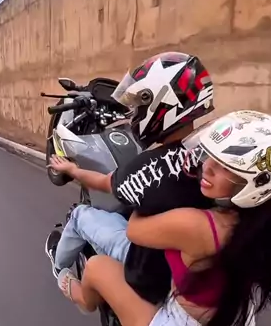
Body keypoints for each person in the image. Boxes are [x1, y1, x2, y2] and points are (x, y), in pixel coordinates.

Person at [55, 111, 271, 326]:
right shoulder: (266, 220)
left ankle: (79, 294)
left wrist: (152, 193)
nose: (207, 167)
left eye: (225, 167)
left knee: (96, 268)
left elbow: (134, 231)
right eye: (211, 155)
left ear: (254, 183)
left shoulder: (196, 225)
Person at [45, 51, 215, 306]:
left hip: (147, 270)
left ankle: (60, 269)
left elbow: (104, 182)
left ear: (164, 106)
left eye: (142, 102)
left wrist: (72, 170)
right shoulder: (212, 156)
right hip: (191, 268)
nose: (135, 111)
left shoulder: (147, 167)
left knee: (80, 215)